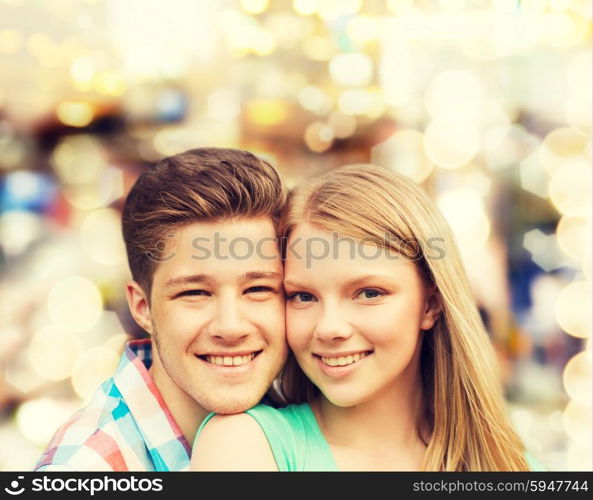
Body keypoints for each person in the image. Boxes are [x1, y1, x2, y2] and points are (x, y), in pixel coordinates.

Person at [192, 164, 539, 471]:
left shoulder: (516, 467)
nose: (329, 328)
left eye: (369, 293)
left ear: (430, 305)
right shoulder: (244, 445)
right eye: (303, 296)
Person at [35, 148, 288, 471]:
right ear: (142, 308)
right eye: (195, 292)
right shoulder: (86, 469)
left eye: (258, 289)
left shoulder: (299, 415)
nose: (231, 326)